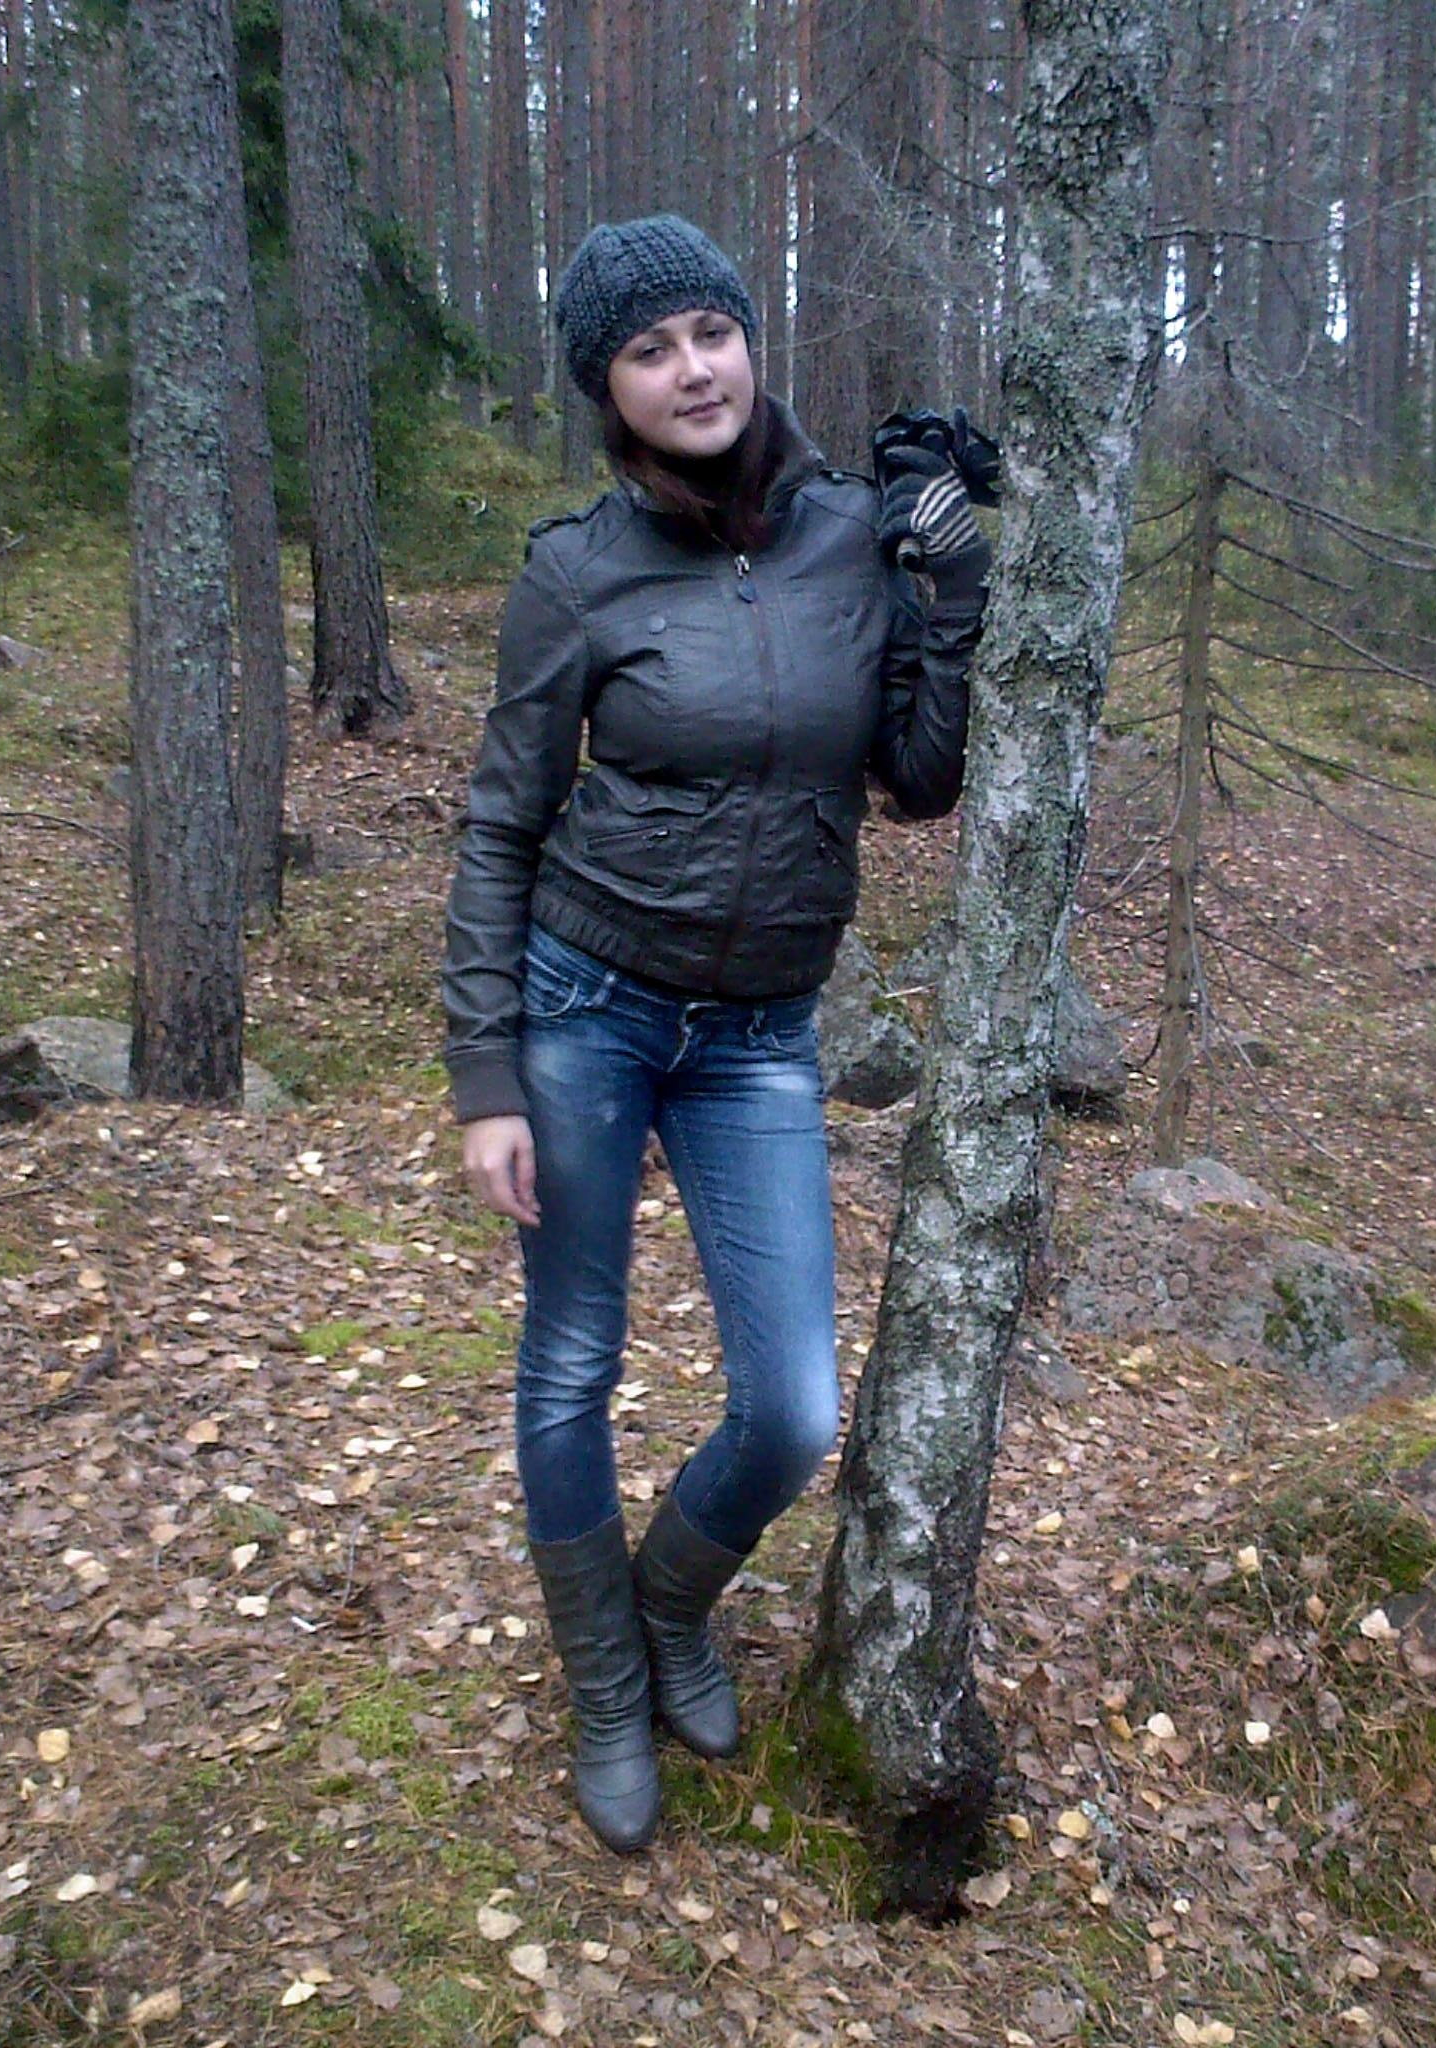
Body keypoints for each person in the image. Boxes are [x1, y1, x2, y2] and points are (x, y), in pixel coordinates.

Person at [442, 215, 991, 1854]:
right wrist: (485, 1077)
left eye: (711, 331)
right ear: (606, 389)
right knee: (571, 1363)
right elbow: (500, 825)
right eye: (649, 349)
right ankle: (609, 1683)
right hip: (588, 1008)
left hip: (760, 1035)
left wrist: (949, 584)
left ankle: (671, 1601)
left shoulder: (847, 535)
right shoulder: (576, 571)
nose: (693, 370)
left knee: (795, 1407)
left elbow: (922, 779)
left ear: (752, 339)